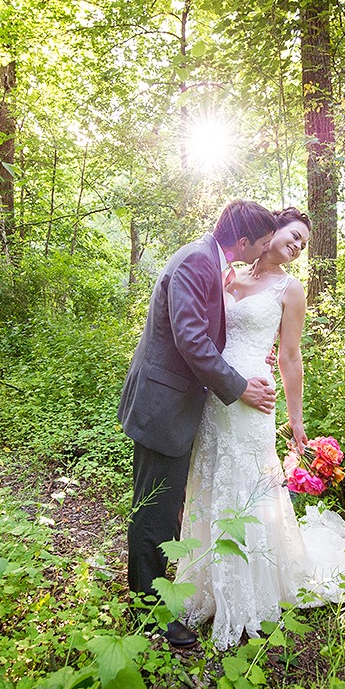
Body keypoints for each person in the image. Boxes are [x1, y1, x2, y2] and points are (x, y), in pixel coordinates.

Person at [176, 207, 345, 651]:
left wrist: (296, 421)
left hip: (254, 399)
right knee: (212, 476)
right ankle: (204, 583)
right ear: (271, 231)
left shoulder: (290, 289)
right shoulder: (230, 274)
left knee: (248, 484)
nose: (298, 247)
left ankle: (248, 590)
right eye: (294, 235)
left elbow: (290, 356)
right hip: (215, 394)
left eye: (303, 244)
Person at [118, 200, 279, 647]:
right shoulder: (195, 260)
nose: (262, 252)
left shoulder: (210, 261)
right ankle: (148, 613)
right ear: (243, 241)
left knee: (166, 507)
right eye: (261, 244)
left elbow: (207, 331)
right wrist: (239, 386)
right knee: (154, 512)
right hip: (163, 406)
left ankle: (155, 592)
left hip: (177, 406)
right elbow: (190, 338)